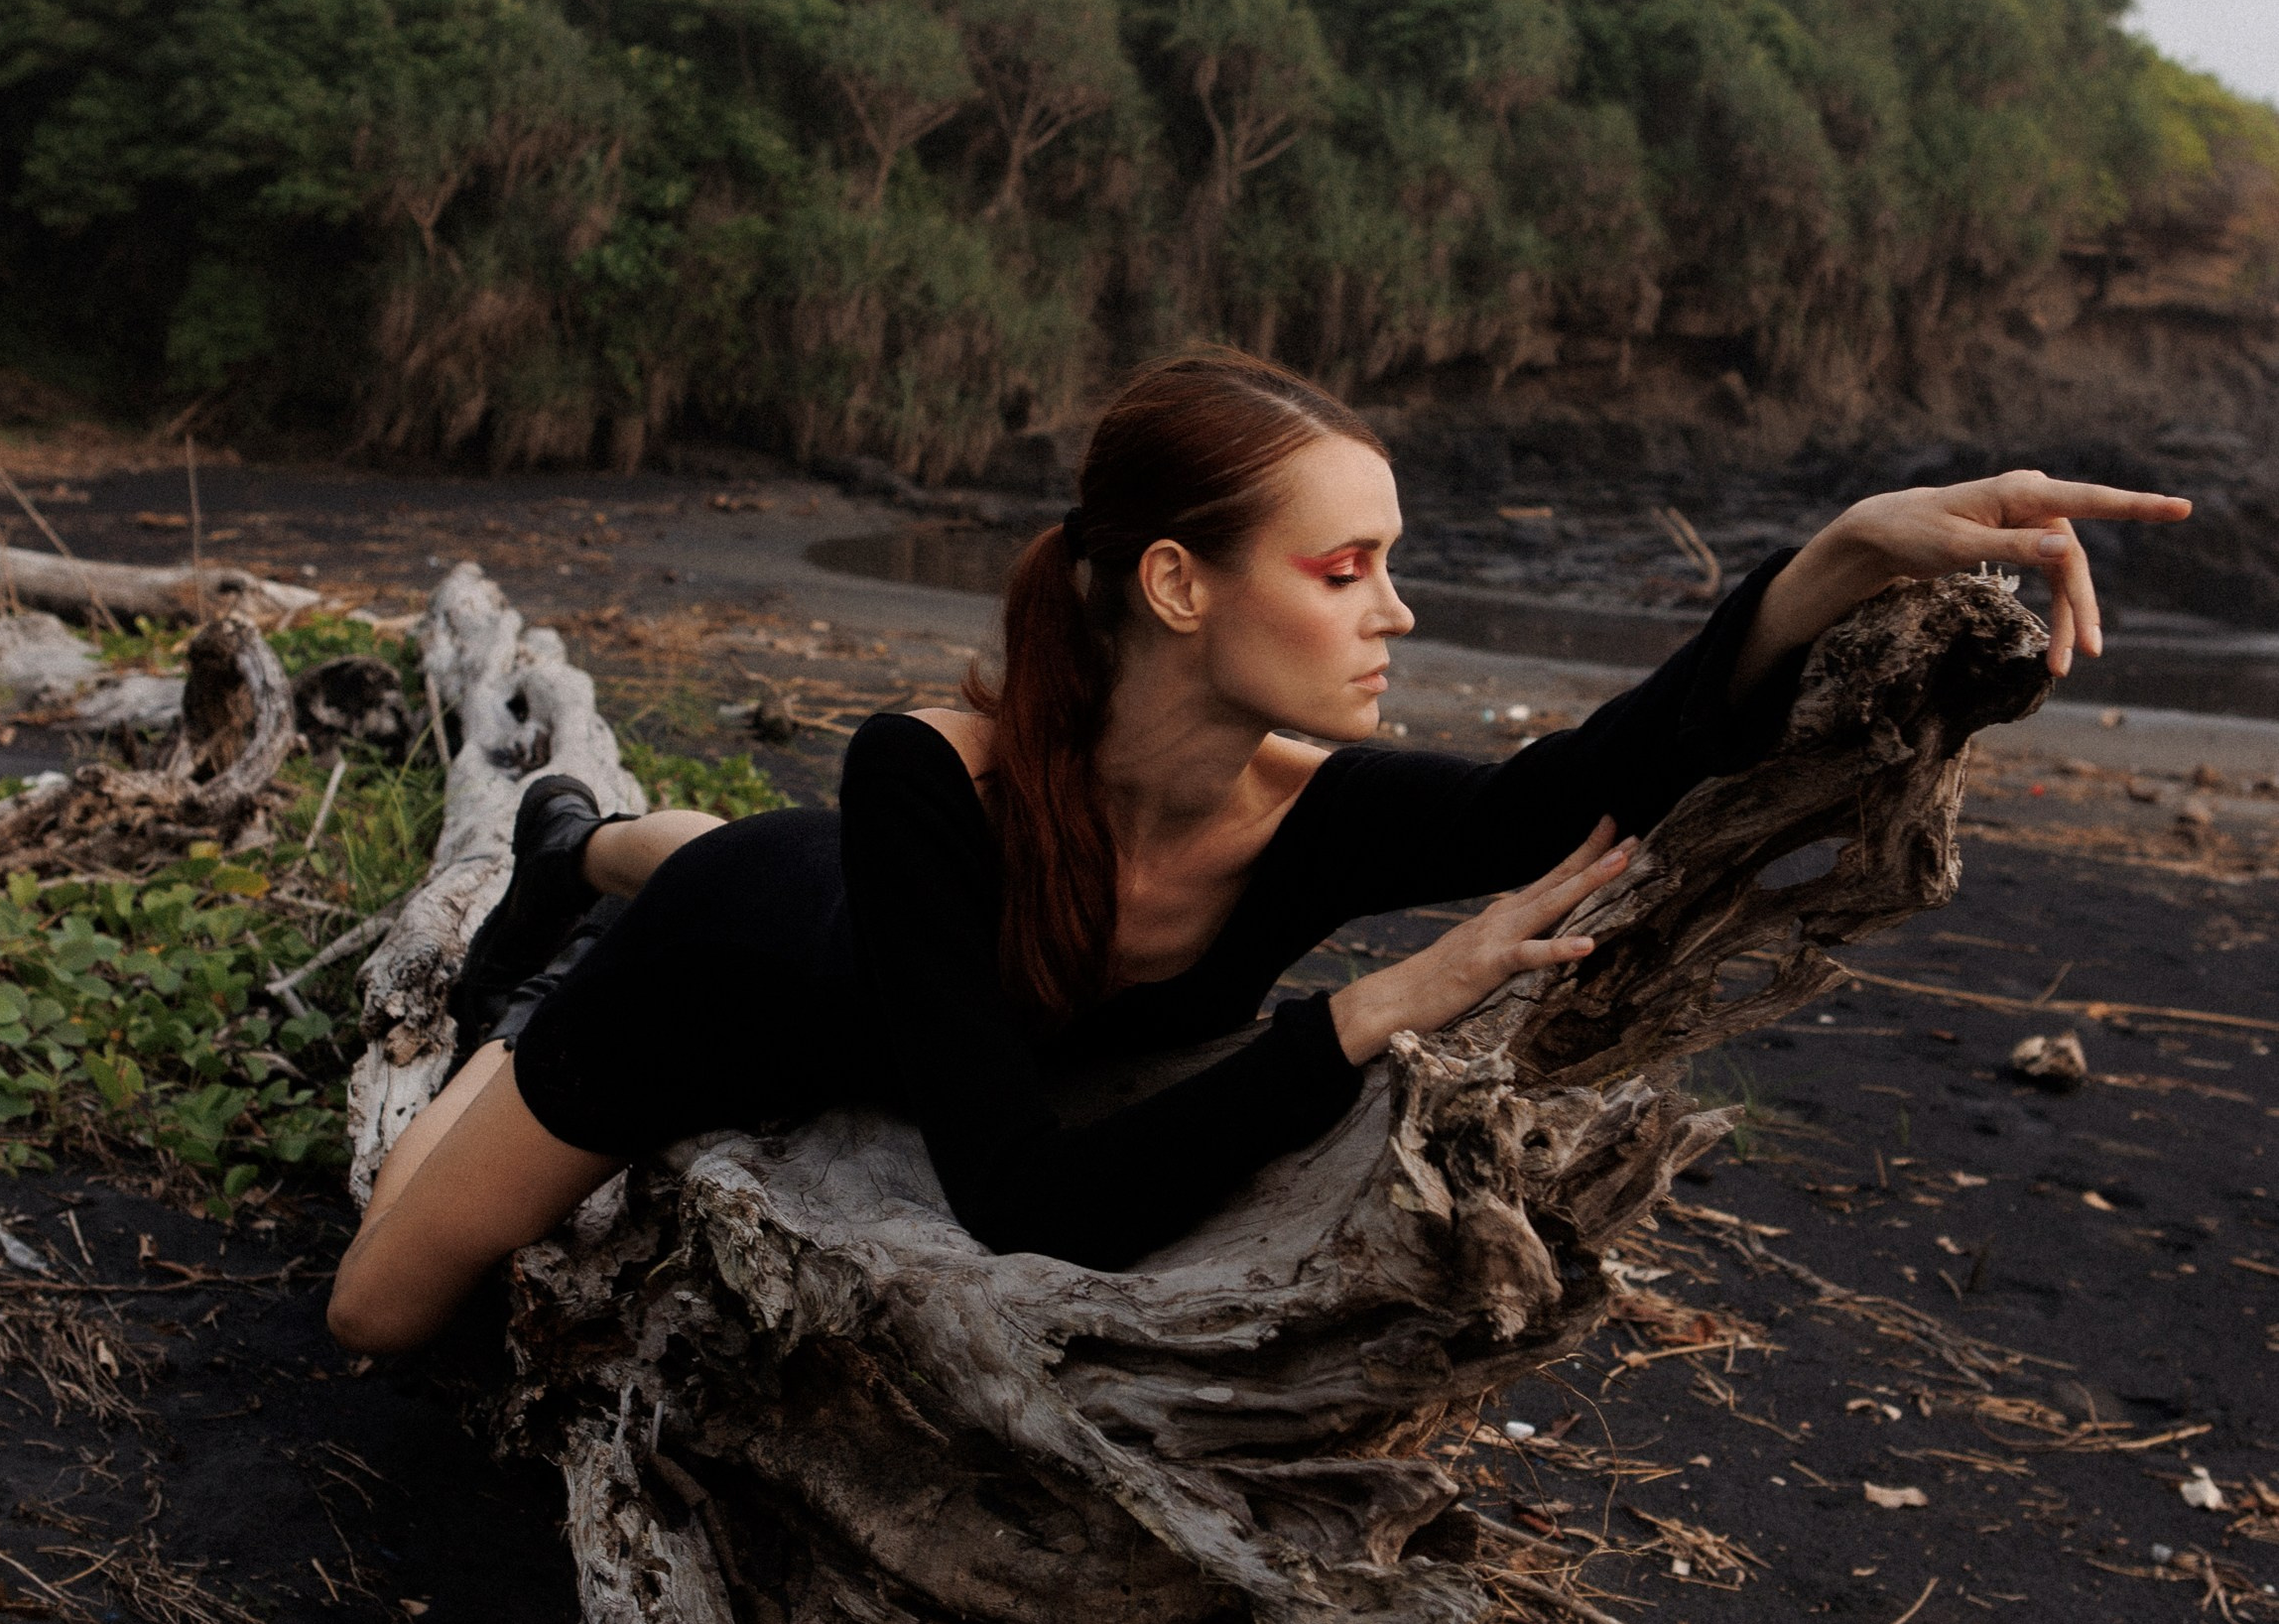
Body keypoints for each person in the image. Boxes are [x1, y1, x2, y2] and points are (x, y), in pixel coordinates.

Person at [327, 352, 2187, 1354]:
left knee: (779, 853)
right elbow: (1026, 1203)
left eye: (1389, 559)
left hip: (900, 930)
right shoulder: (931, 777)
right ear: (1173, 585)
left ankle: (610, 835)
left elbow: (1580, 784)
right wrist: (1367, 1013)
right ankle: (569, 856)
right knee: (381, 1307)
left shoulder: (1307, 812)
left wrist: (1841, 555)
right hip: (741, 982)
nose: (1394, 609)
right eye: (1344, 567)